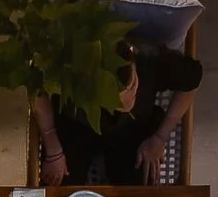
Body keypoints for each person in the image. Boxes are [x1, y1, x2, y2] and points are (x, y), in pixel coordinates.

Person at [33, 34, 202, 186]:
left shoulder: (151, 58)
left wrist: (160, 137)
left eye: (132, 88)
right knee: (58, 185)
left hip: (132, 130)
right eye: (113, 102)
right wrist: (52, 145)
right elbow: (36, 87)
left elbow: (193, 79)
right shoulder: (69, 63)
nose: (127, 104)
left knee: (138, 189)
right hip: (77, 125)